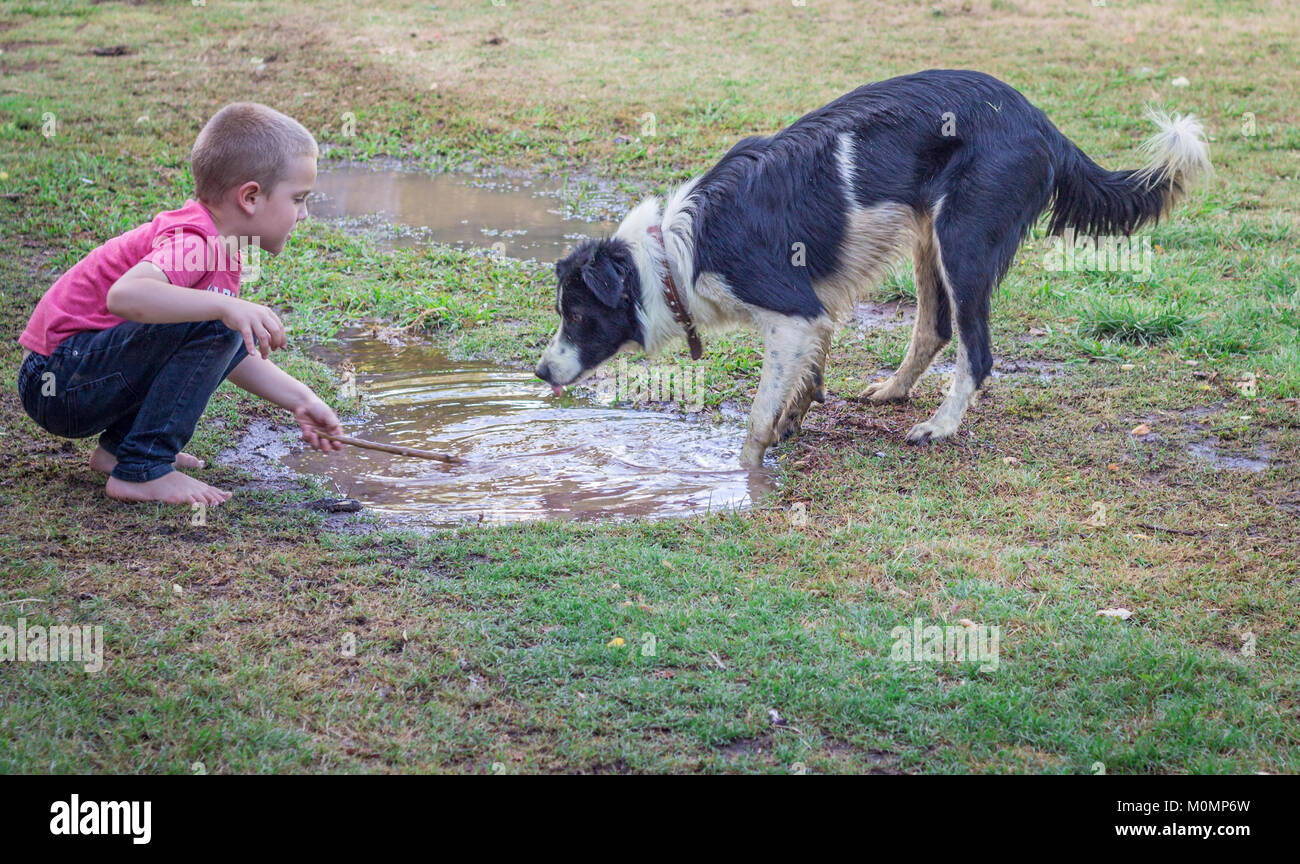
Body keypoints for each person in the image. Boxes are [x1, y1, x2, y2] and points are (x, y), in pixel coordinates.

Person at [15, 102, 345, 506]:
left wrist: (302, 399)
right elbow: (126, 295)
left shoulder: (223, 250)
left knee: (218, 322)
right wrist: (226, 309)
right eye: (298, 199)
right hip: (59, 378)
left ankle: (119, 451)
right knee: (219, 318)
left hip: (78, 377)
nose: (305, 214)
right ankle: (143, 468)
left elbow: (222, 352)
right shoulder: (196, 242)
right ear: (251, 197)